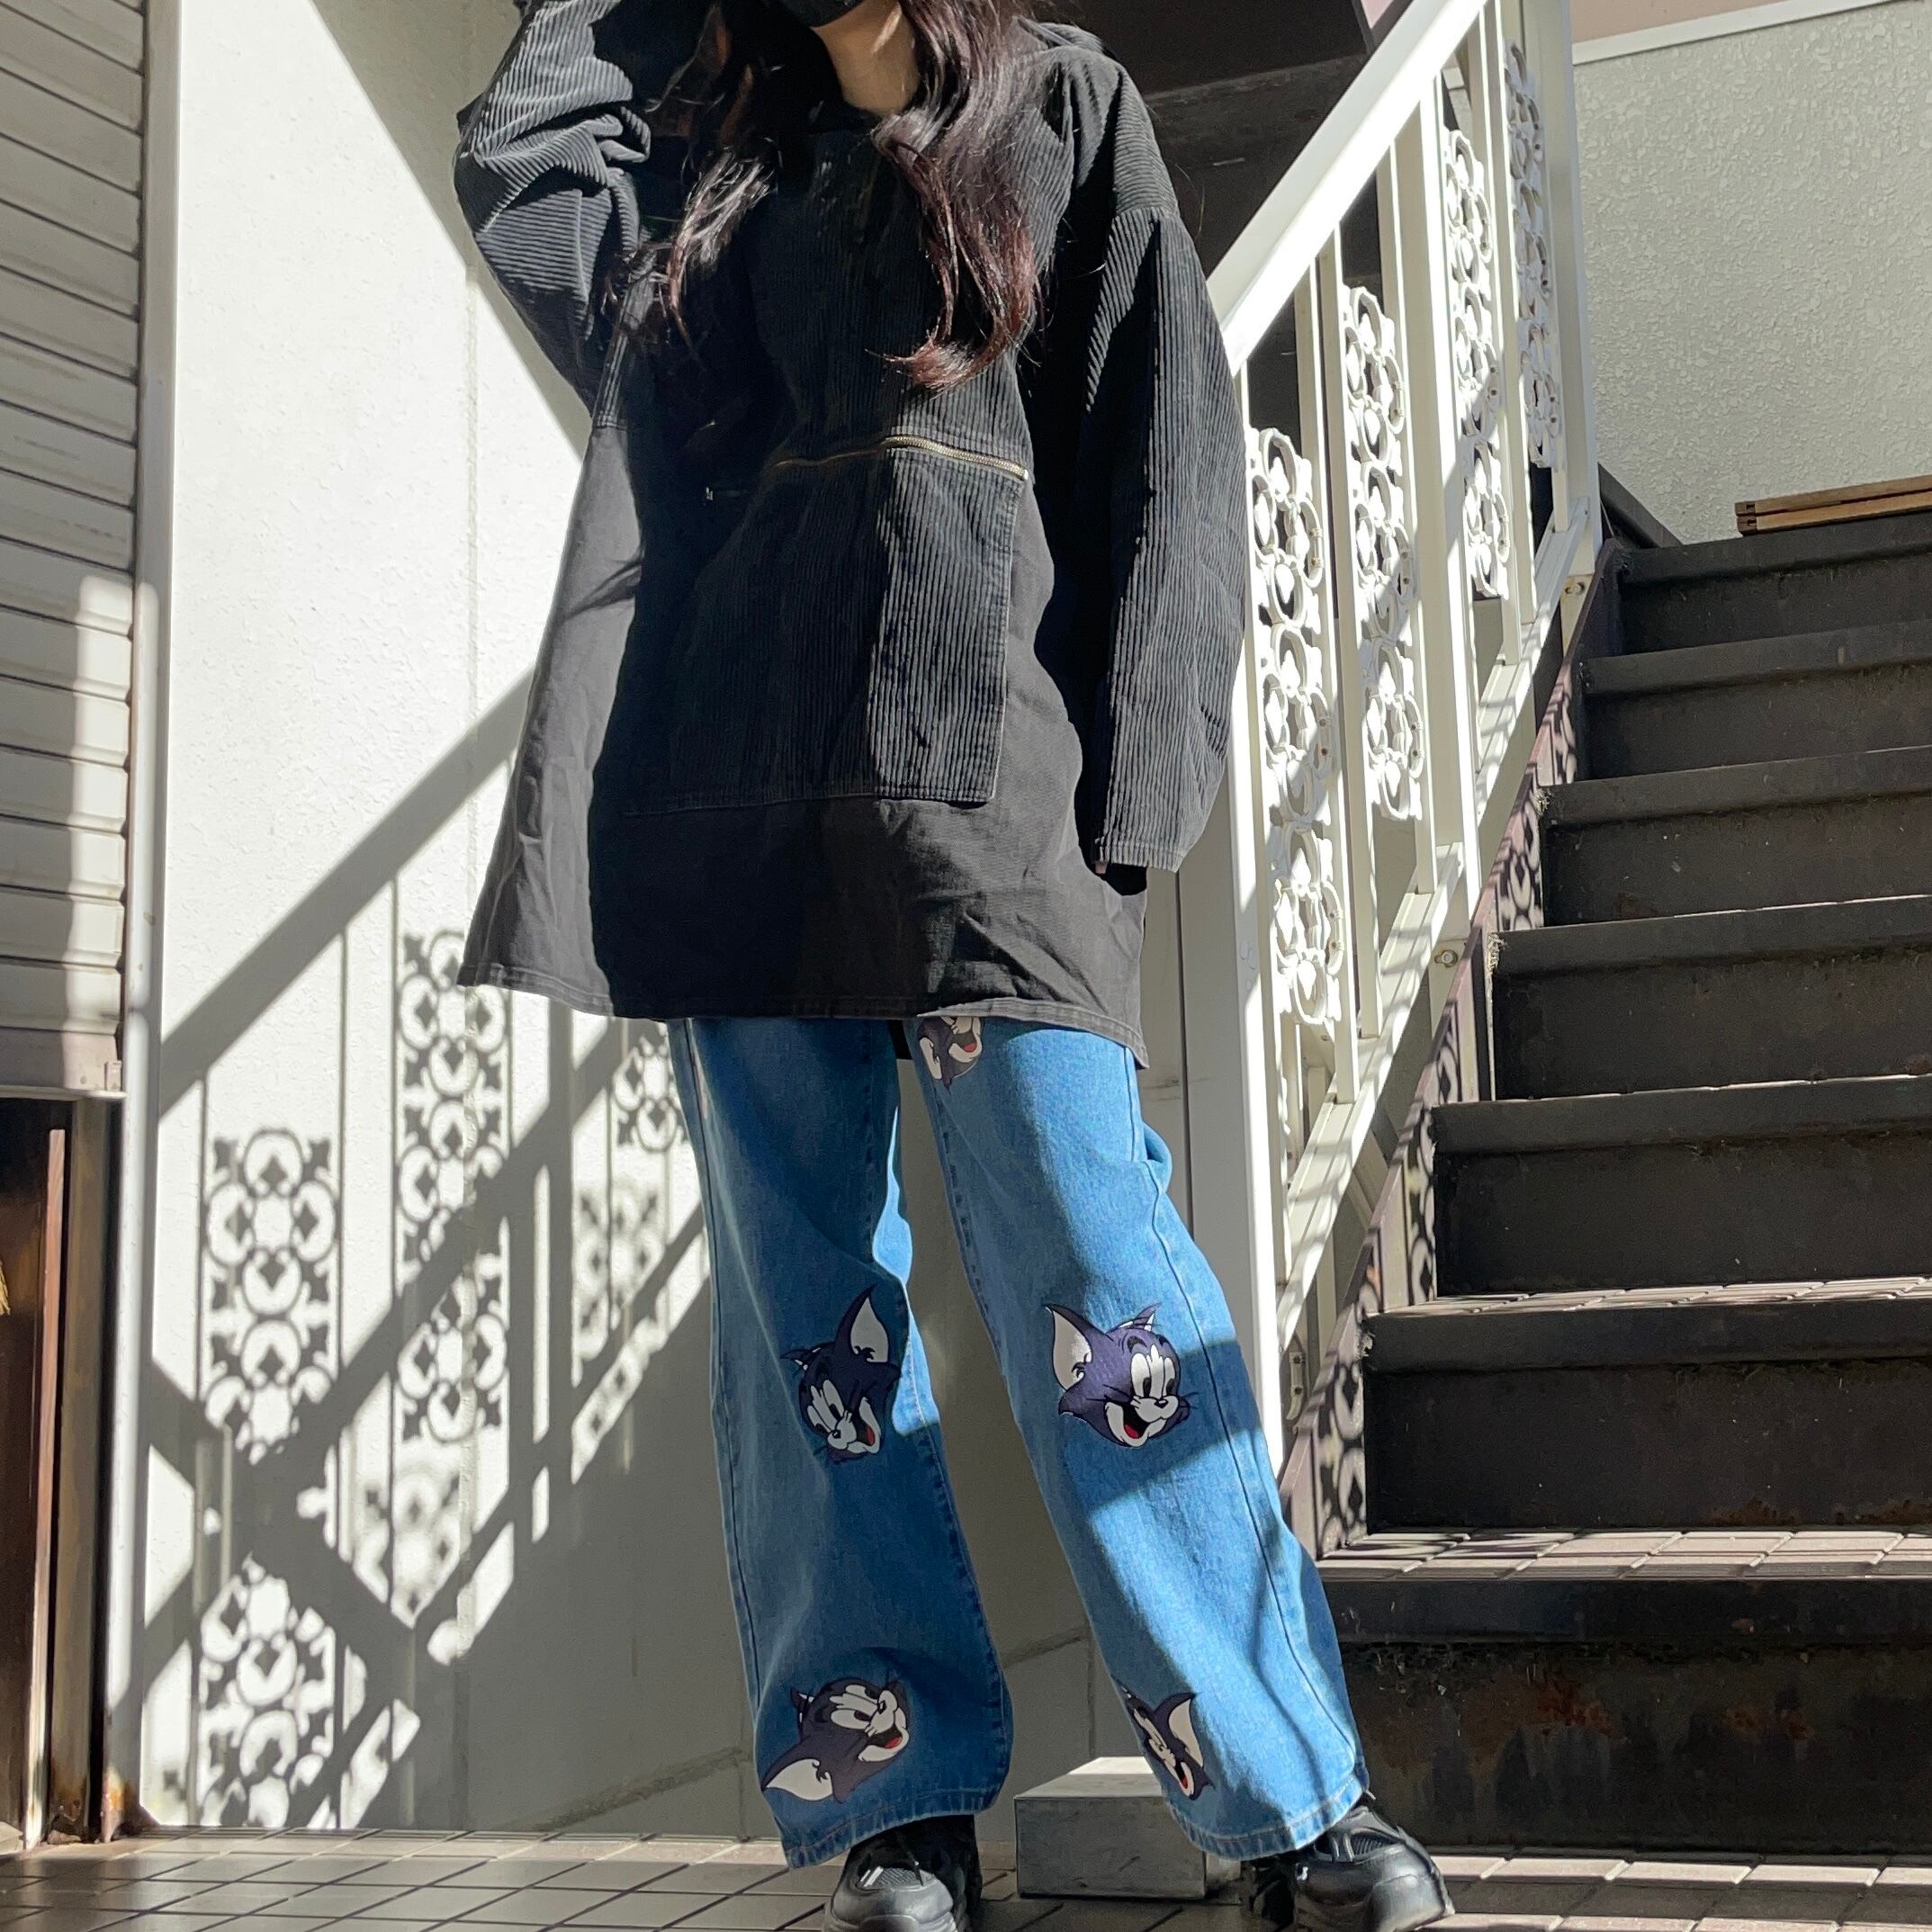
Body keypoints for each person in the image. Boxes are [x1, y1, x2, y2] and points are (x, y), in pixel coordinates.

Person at [452, 3, 1452, 1930]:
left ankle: (1287, 1803)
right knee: (808, 1325)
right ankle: (896, 1807)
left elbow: (1167, 442)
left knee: (1103, 1278)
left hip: (996, 809)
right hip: (742, 813)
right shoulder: (710, 159)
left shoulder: (1063, 107)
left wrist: (1136, 806)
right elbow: (516, 155)